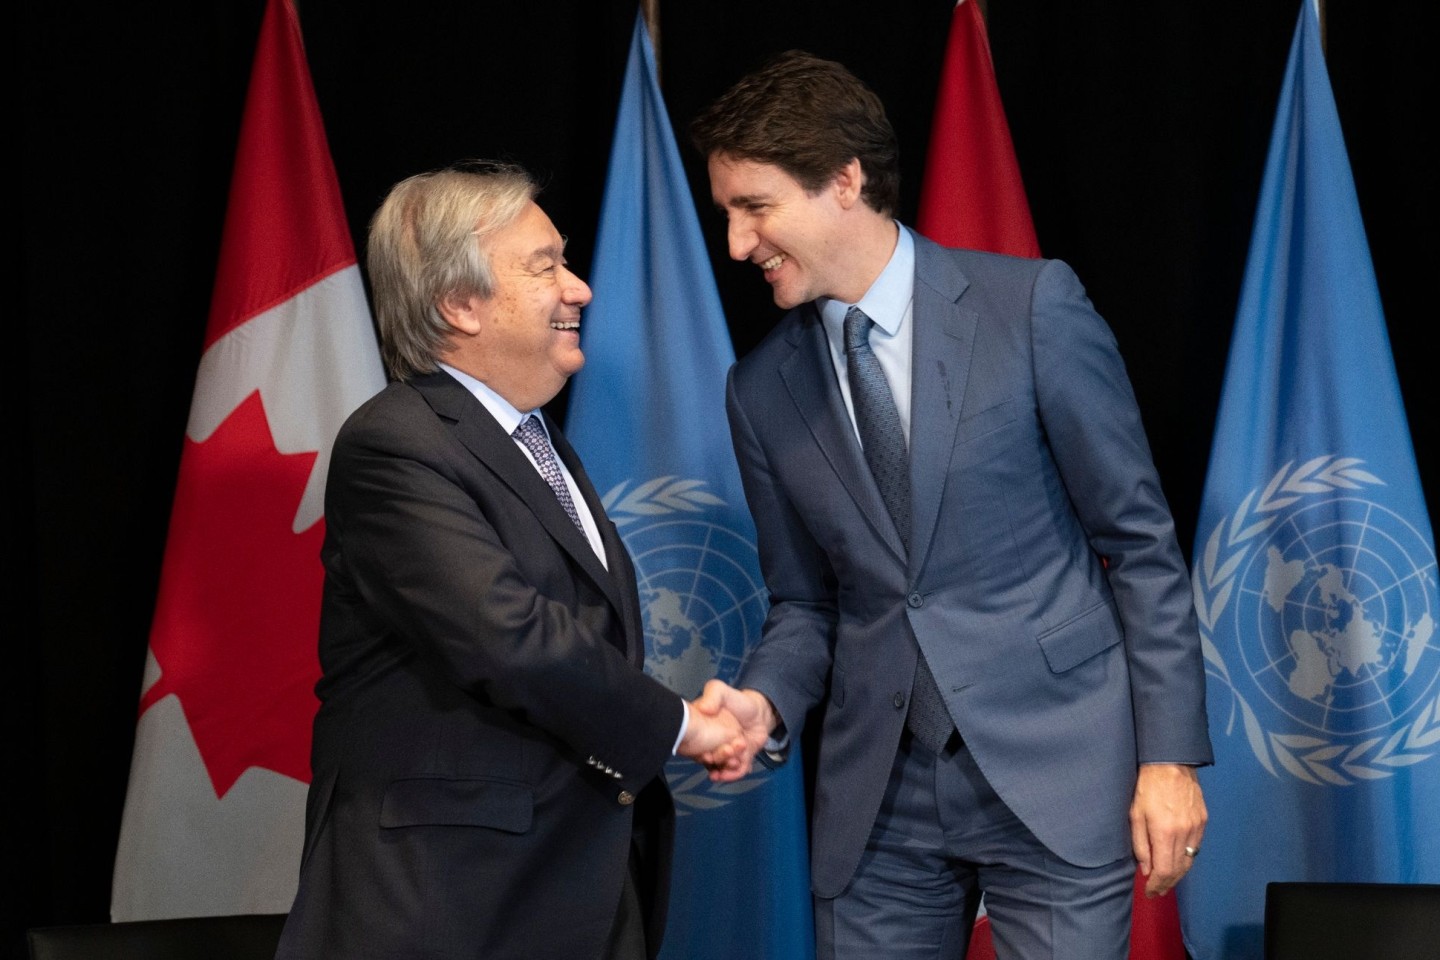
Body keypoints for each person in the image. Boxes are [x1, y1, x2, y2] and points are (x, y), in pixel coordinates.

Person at [689, 52, 1212, 959]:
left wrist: (1168, 758)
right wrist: (766, 703)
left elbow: (1139, 546)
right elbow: (808, 601)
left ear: (845, 181)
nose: (736, 245)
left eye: (755, 208)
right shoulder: (760, 387)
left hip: (1057, 769)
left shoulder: (1033, 309)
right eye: (727, 214)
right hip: (879, 802)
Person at [273, 160, 745, 960]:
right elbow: (508, 635)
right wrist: (681, 725)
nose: (580, 288)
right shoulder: (398, 442)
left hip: (569, 887)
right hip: (447, 903)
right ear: (459, 303)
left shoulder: (537, 443)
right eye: (546, 266)